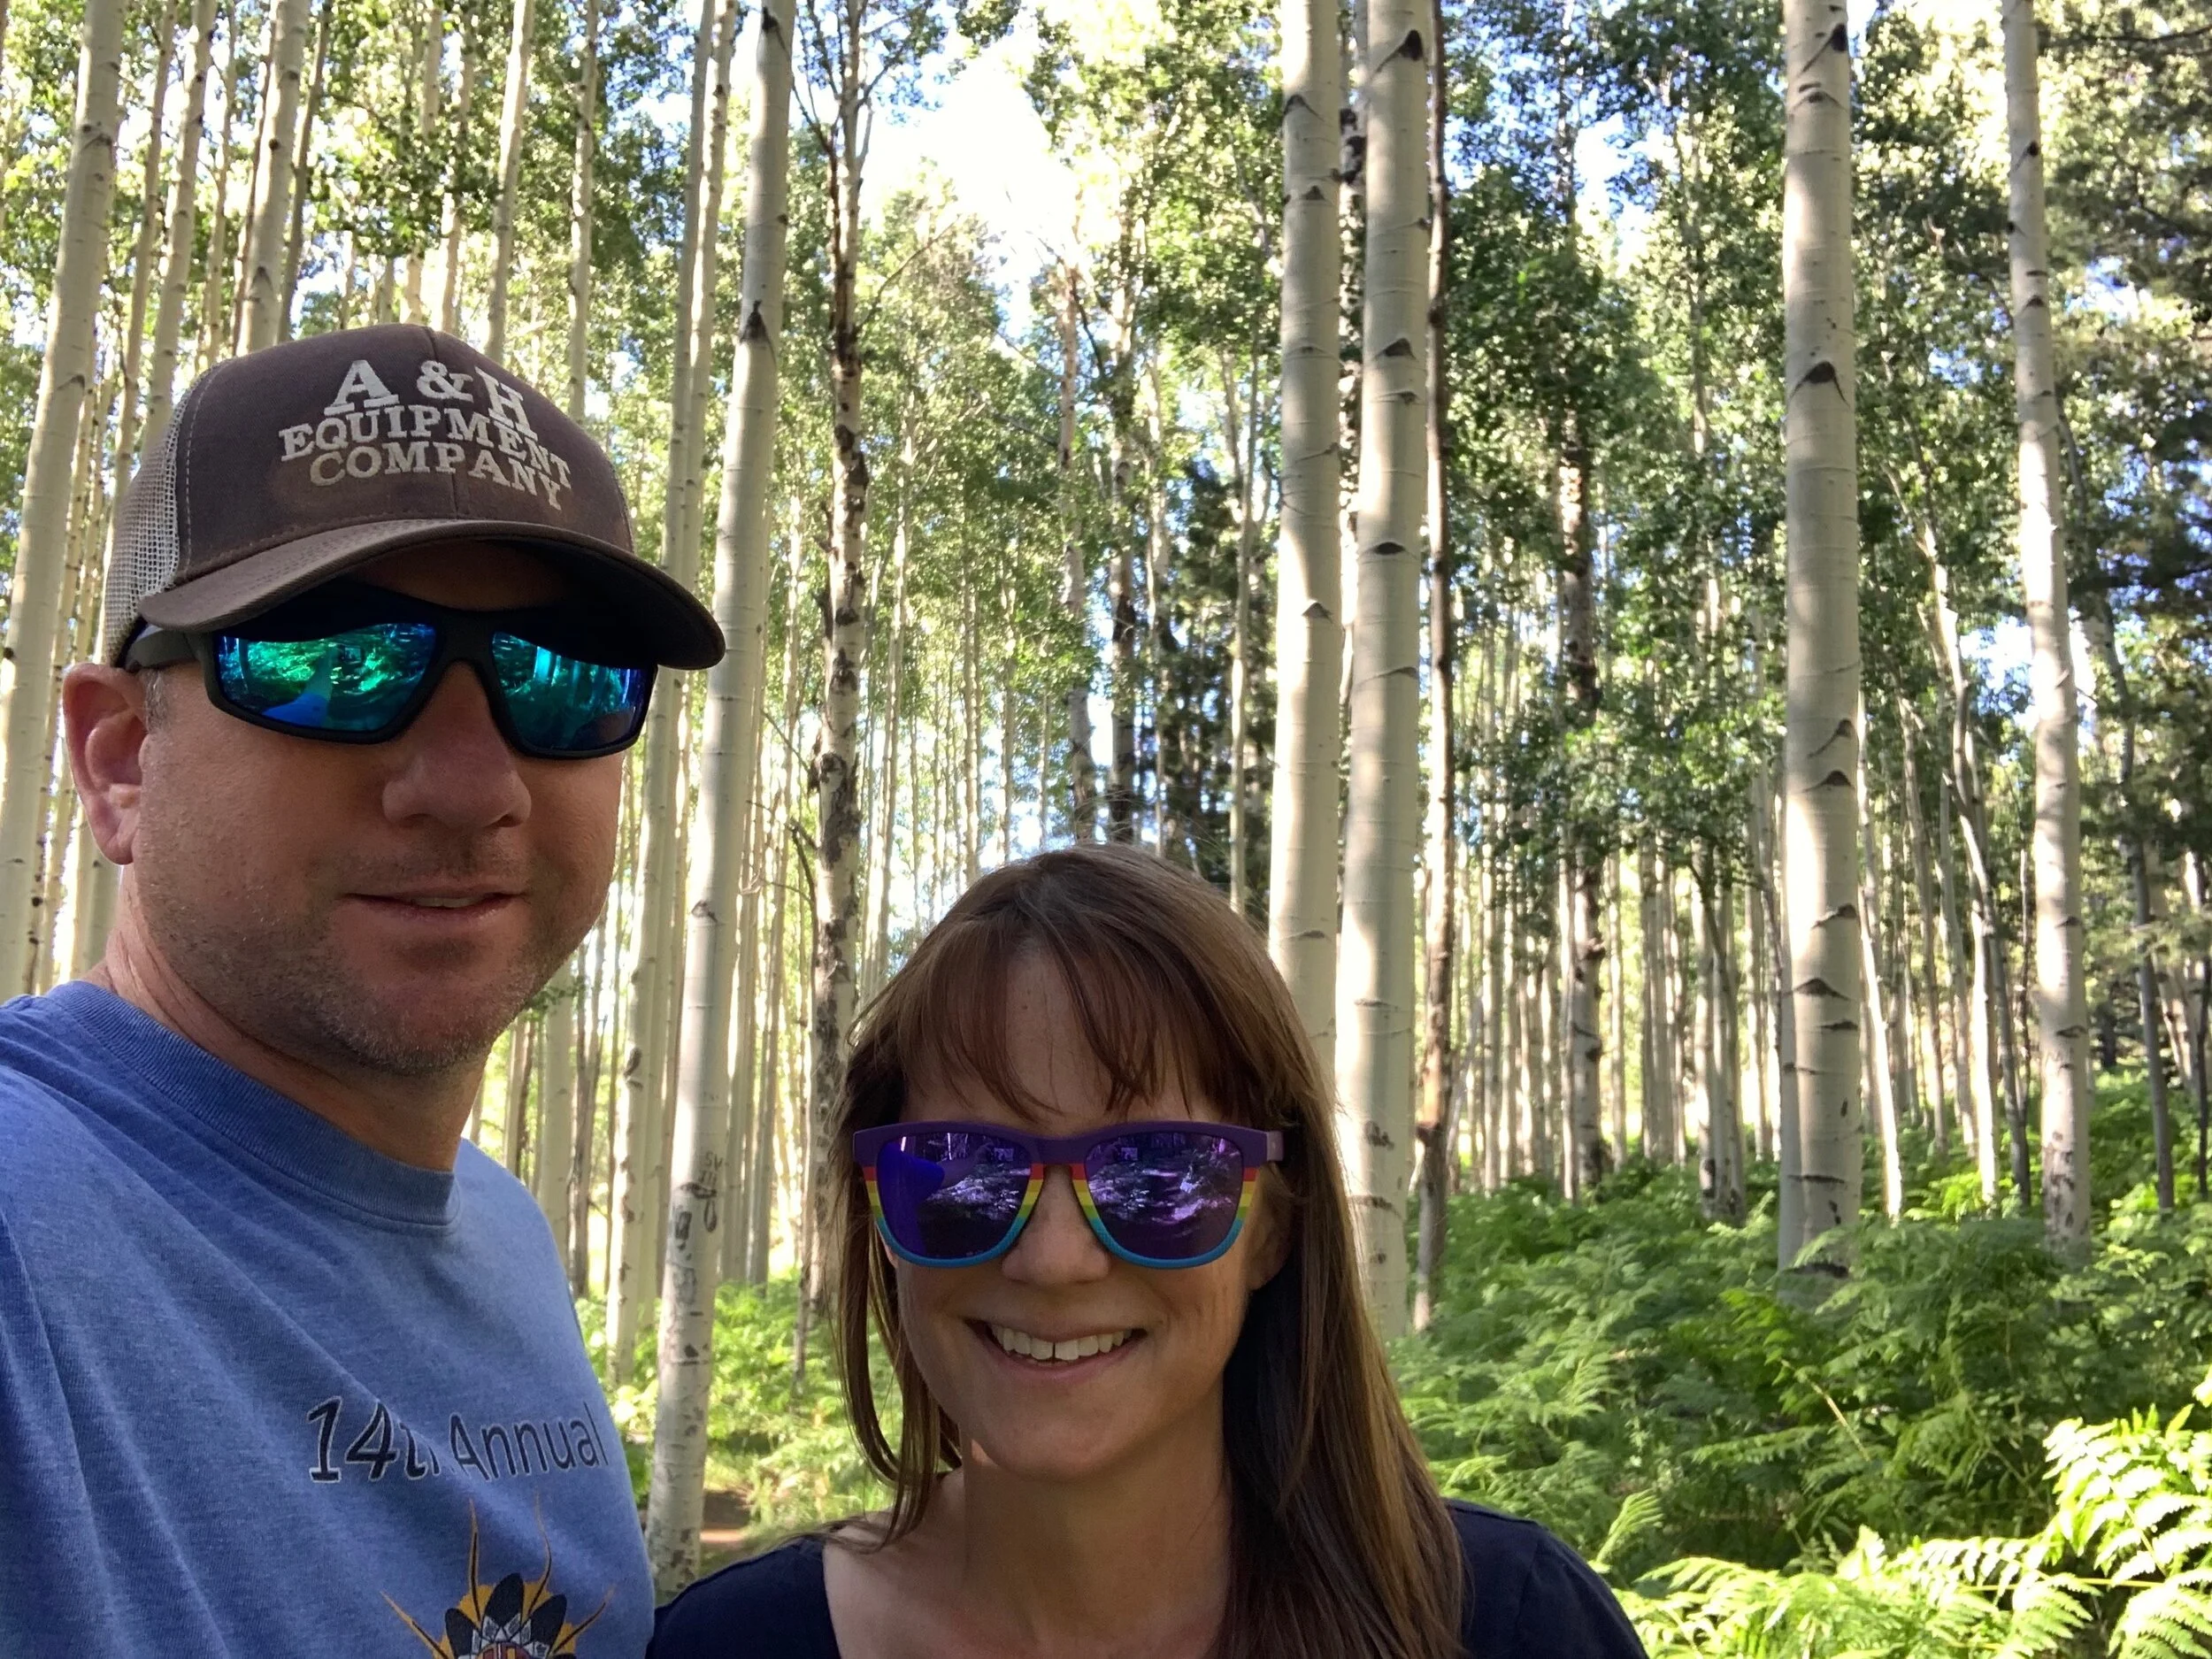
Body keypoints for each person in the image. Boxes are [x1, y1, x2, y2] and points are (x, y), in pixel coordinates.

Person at [0, 324, 723, 1656]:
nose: (472, 786)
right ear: (119, 759)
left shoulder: (502, 1234)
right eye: (334, 661)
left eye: (563, 677)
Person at [653, 846, 1647, 1659]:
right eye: (963, 1169)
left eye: (1159, 1172)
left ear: (1274, 1226)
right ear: (879, 1212)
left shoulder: (1510, 1628)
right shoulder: (727, 1646)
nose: (1054, 1260)